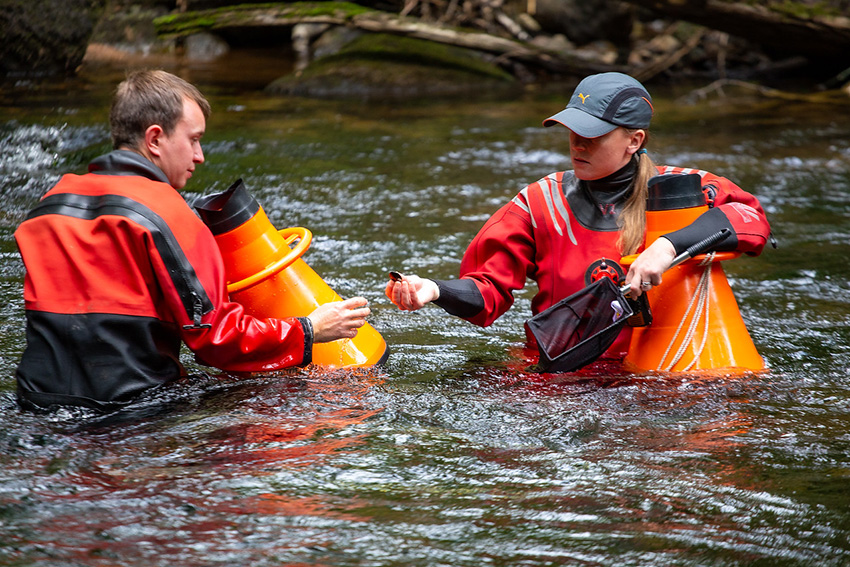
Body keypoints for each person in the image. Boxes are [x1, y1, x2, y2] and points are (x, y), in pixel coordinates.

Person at [14, 69, 371, 411]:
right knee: (323, 403)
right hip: (131, 412)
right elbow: (216, 339)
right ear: (155, 139)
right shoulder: (168, 214)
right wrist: (310, 330)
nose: (199, 156)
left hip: (37, 401)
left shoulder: (49, 206)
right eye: (194, 139)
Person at [386, 72, 771, 363]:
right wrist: (434, 290)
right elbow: (488, 292)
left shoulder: (686, 191)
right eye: (572, 131)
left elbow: (751, 220)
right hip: (566, 376)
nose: (577, 144)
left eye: (593, 134)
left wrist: (667, 246)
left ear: (634, 141)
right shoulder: (538, 202)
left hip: (660, 372)